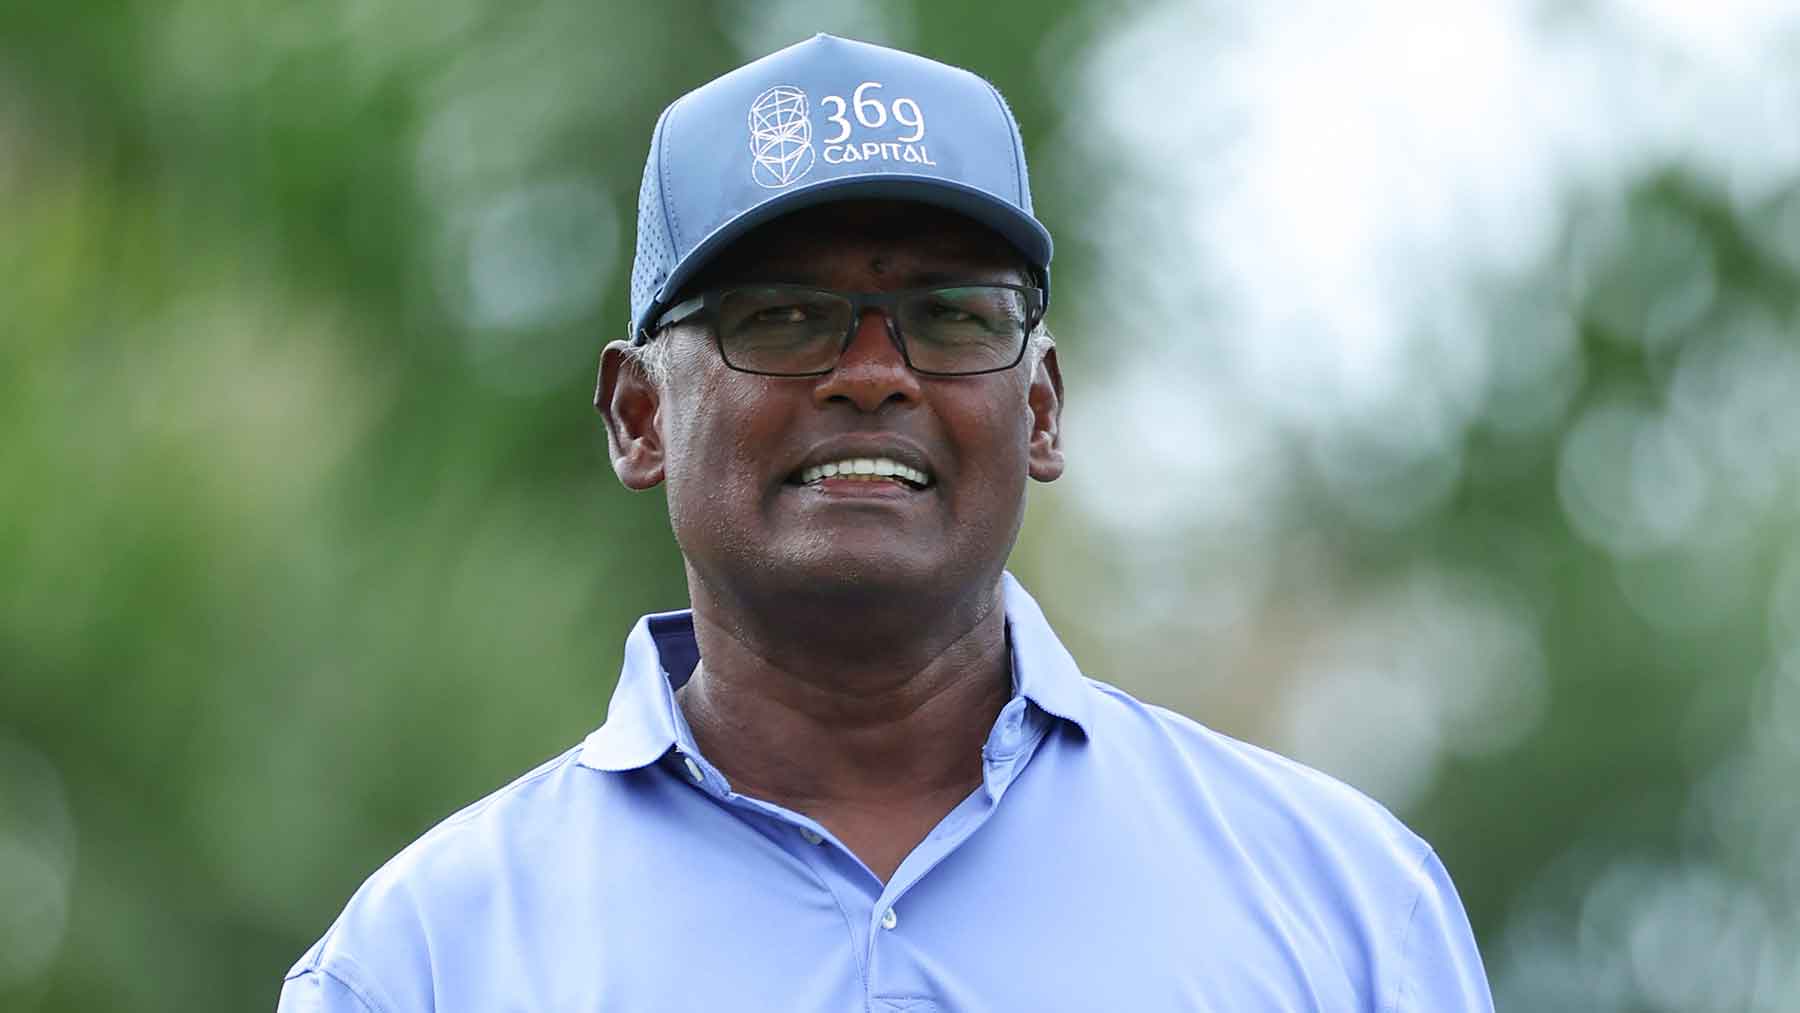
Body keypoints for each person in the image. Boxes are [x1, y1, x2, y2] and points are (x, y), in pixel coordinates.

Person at [278, 34, 1494, 1012]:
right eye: (783, 315)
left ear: (1042, 410)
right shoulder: (421, 961)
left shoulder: (1345, 910)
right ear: (640, 416)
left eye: (953, 315)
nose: (873, 374)